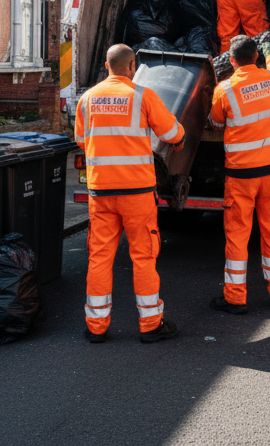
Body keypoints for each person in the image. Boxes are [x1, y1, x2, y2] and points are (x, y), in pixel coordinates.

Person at [74, 44, 185, 344]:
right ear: (131, 66)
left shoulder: (87, 99)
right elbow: (172, 133)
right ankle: (150, 325)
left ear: (107, 66)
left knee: (99, 257)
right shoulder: (142, 96)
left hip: (101, 192)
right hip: (136, 193)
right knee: (143, 257)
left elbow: (82, 142)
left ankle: (96, 327)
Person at [206, 35, 270, 313]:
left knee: (238, 235)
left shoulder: (224, 89)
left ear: (231, 61)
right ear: (255, 56)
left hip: (241, 175)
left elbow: (216, 123)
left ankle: (235, 297)